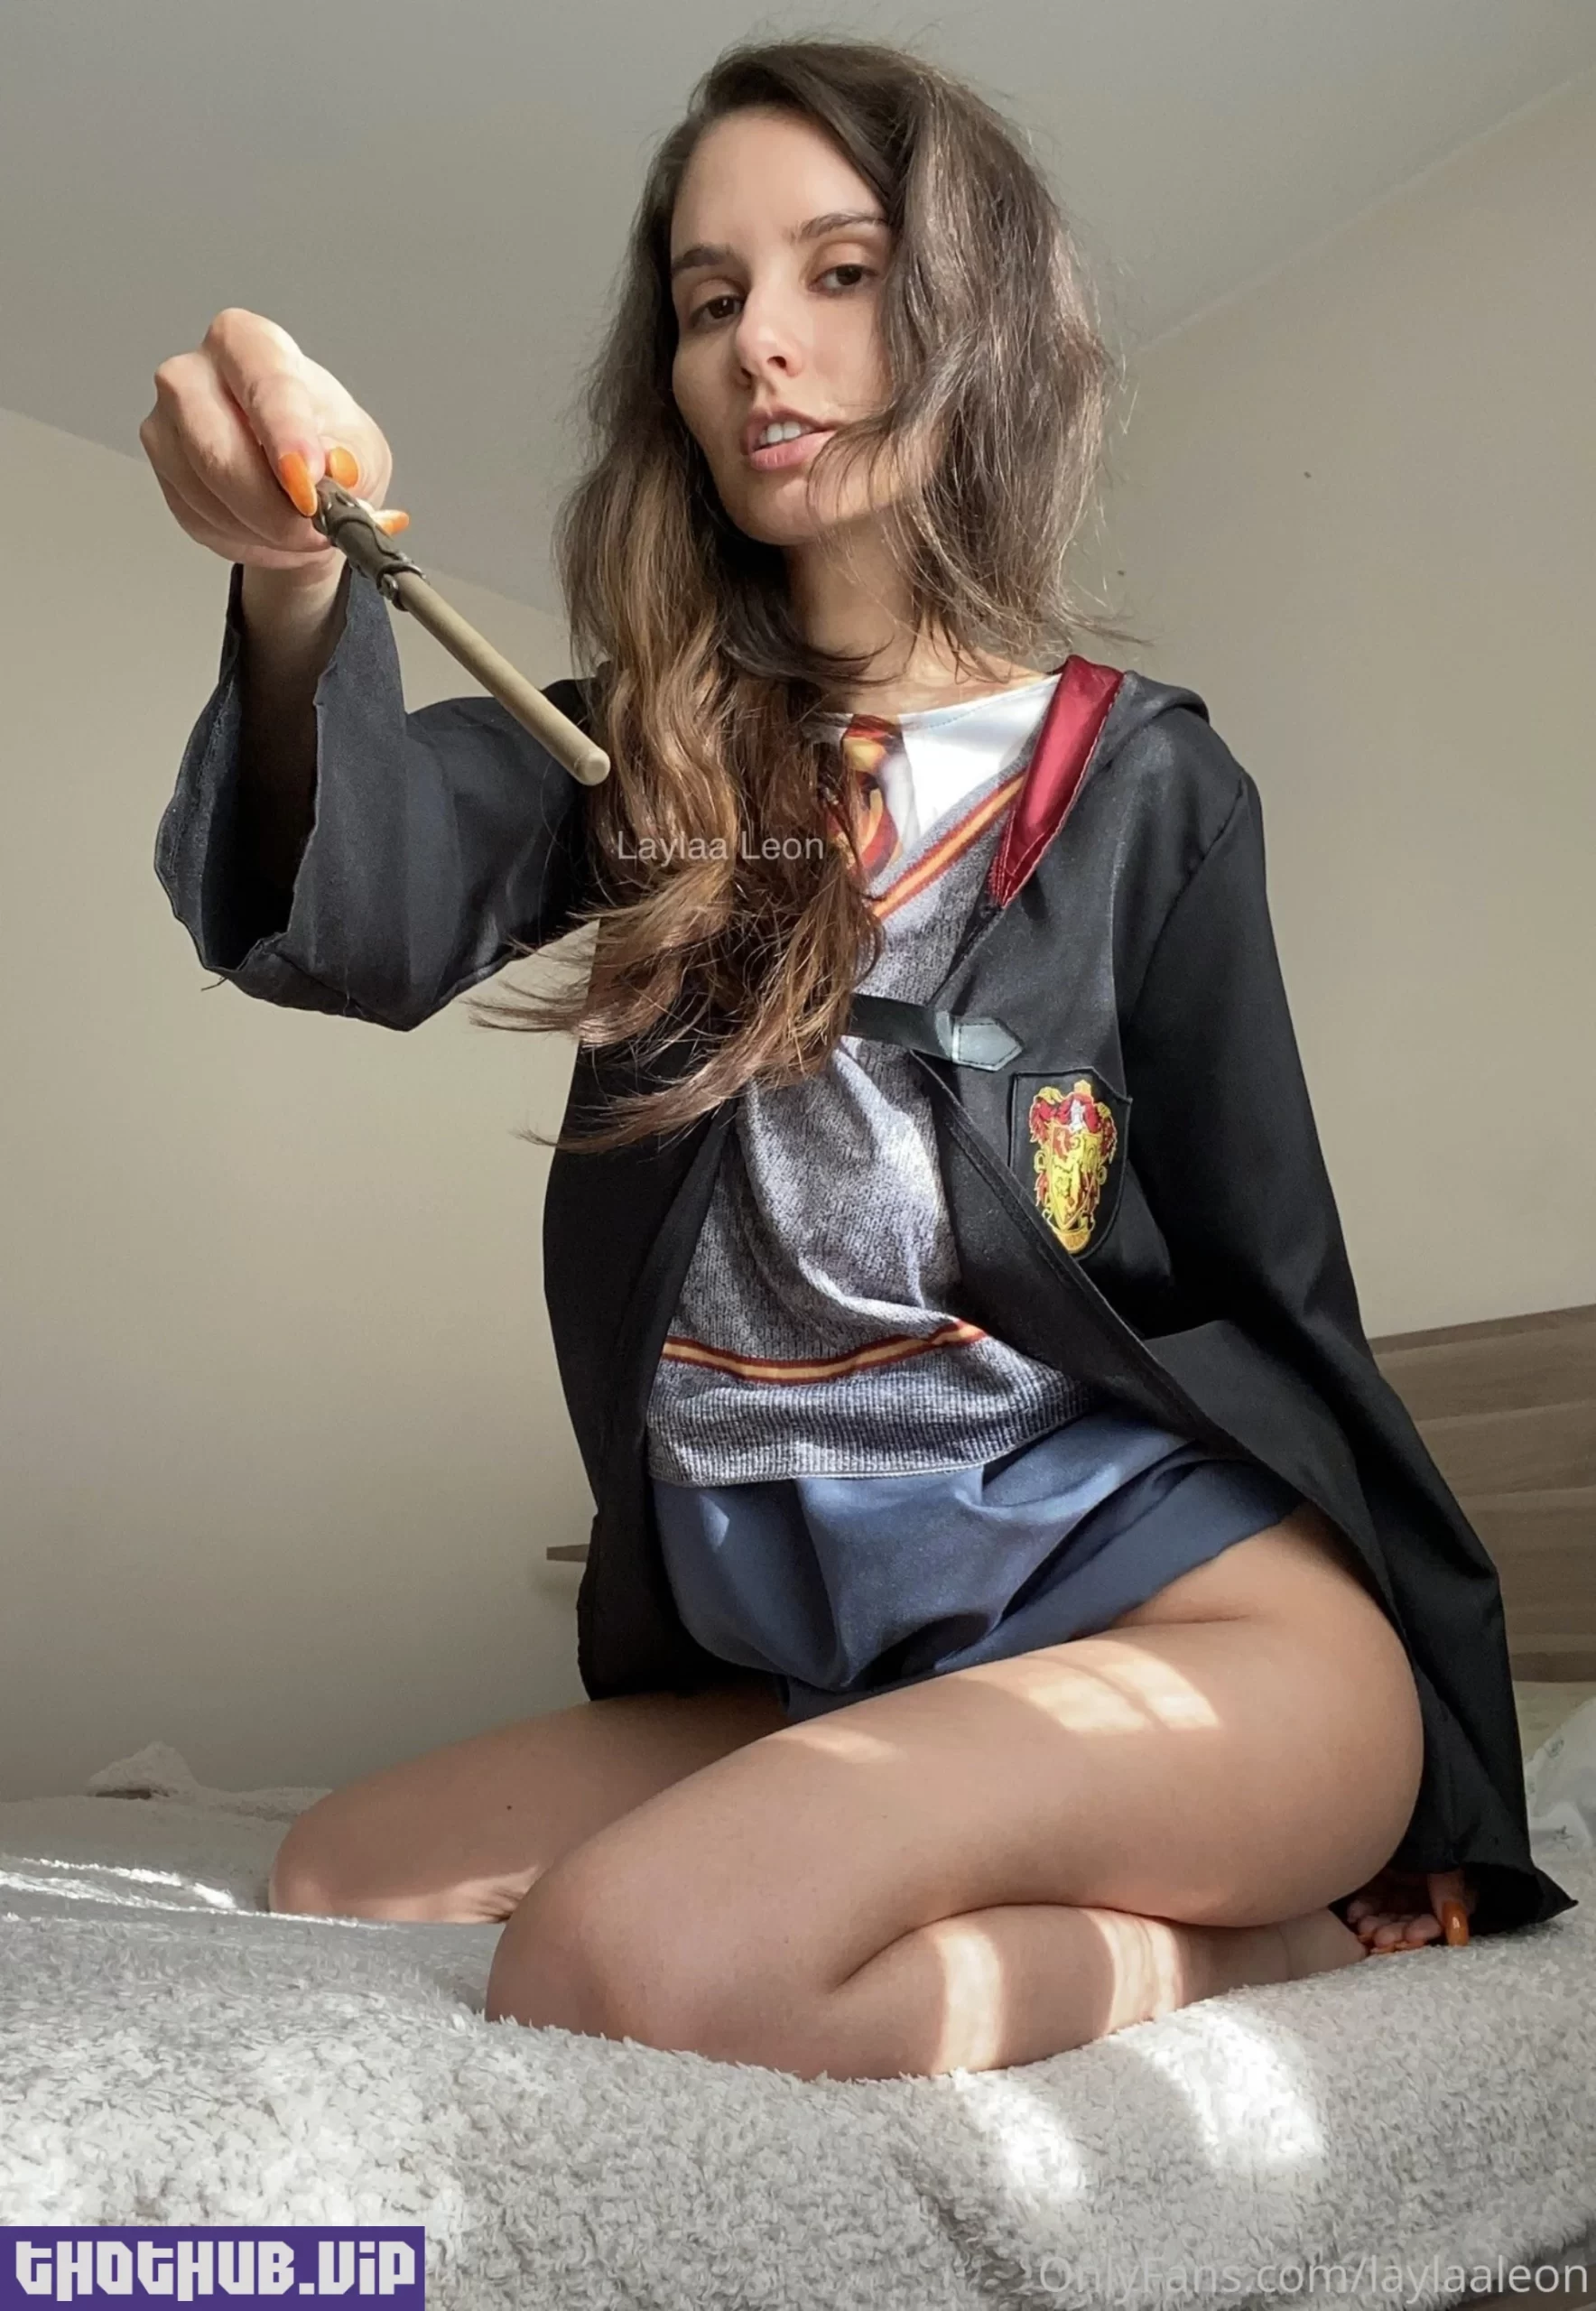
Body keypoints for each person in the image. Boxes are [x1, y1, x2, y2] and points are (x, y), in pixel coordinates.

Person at [139, 35, 1572, 2083]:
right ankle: (907, 1796)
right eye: (709, 298)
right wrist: (293, 579)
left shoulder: (1147, 790)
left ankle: (1275, 1947)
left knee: (633, 1958)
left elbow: (1275, 1283)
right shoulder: (637, 755)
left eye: (841, 272)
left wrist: (1440, 1774)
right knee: (342, 1871)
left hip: (1192, 1633)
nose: (759, 345)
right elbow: (347, 913)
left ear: (971, 316)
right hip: (837, 1643)